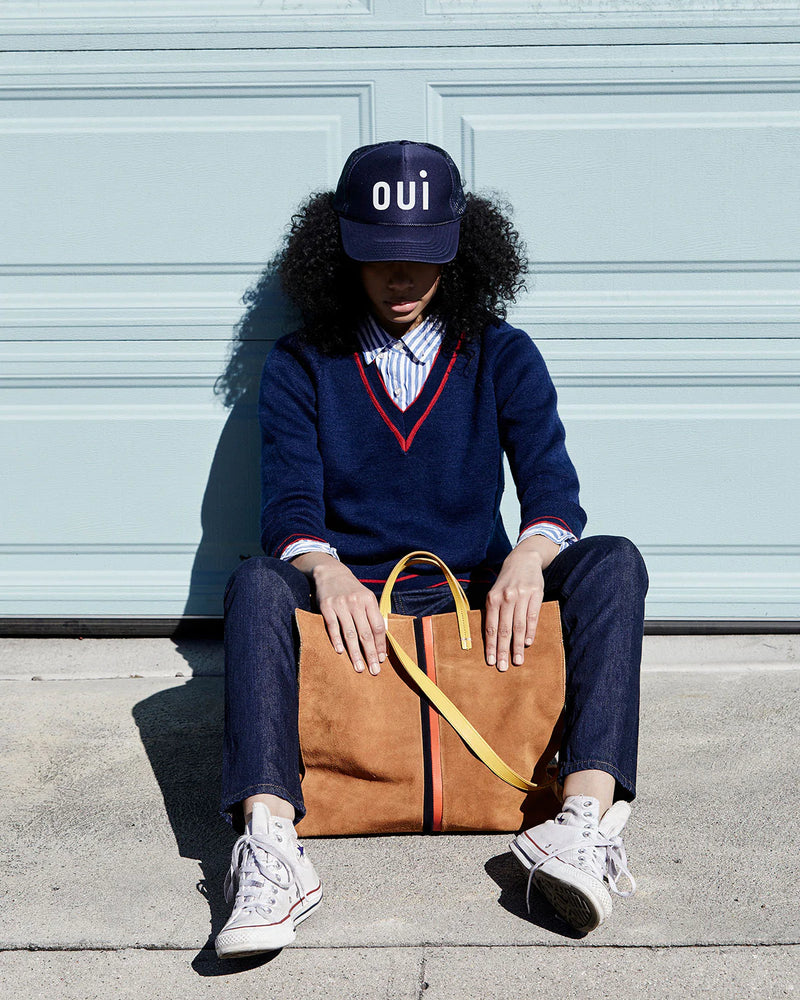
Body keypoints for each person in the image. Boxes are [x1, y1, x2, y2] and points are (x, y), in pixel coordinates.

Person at [214, 140, 648, 958]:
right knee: (255, 585)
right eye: (378, 255)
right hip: (350, 597)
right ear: (341, 252)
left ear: (460, 250)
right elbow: (289, 508)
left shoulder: (502, 352)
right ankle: (271, 845)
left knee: (615, 561)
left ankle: (581, 821)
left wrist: (528, 556)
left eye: (423, 254)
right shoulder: (303, 363)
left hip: (473, 589)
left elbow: (554, 492)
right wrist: (325, 567)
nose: (401, 275)